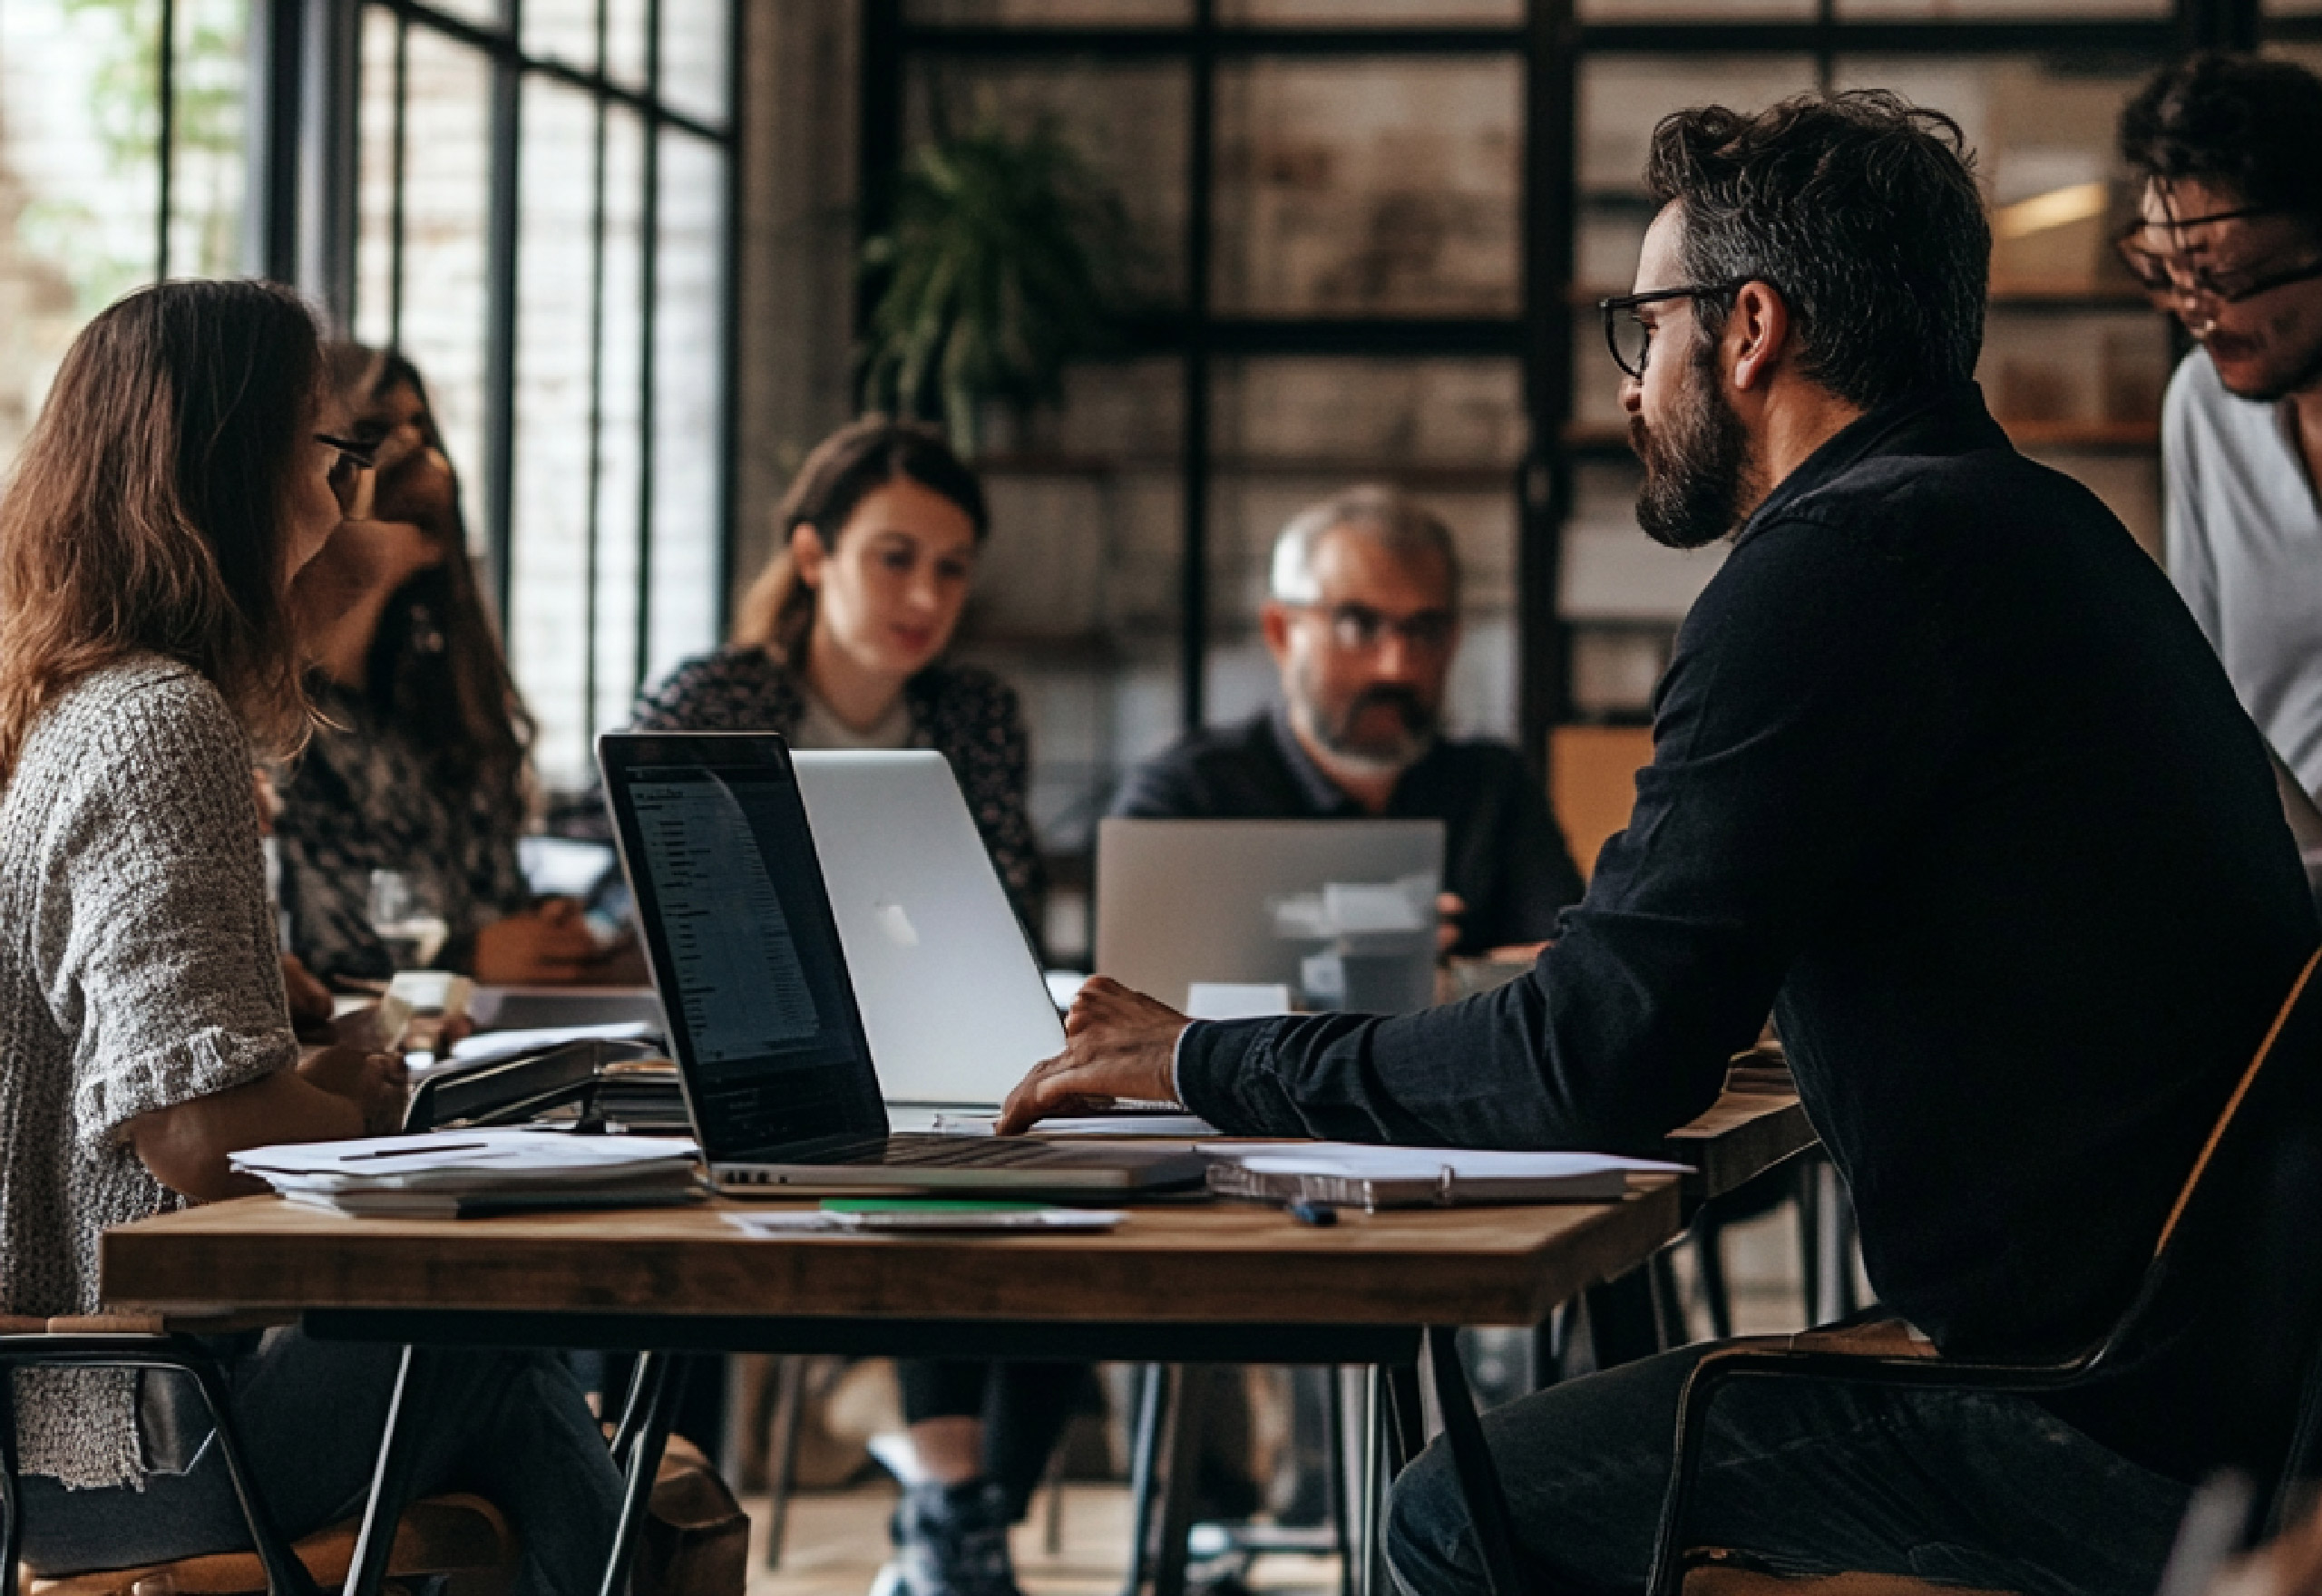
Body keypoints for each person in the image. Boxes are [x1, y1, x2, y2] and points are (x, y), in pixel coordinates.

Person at [1000, 92, 2321, 1595]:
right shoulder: (2035, 525)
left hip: (2106, 1414)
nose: (1635, 386)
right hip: (2234, 1372)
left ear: (1748, 329)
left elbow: (1592, 1062)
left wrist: (1194, 1059)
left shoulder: (1834, 570)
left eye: (1649, 328)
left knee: (1456, 1512)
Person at [0, 279, 620, 1585]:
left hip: (70, 1414)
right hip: (120, 1433)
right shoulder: (159, 725)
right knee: (498, 1329)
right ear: (239, 465)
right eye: (331, 454)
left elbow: (191, 1105)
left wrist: (315, 1077)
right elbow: (198, 1137)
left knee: (510, 1401)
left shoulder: (73, 702)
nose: (346, 496)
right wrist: (404, 1126)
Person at [630, 414, 1065, 1596]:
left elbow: (1000, 904)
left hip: (927, 1055)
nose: (927, 593)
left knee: (1038, 1186)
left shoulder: (975, 712)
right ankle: (946, 1513)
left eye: (952, 566)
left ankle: (955, 1494)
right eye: (895, 556)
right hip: (746, 1048)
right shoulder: (714, 694)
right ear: (814, 554)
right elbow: (633, 883)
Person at [1112, 486, 1583, 956]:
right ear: (1281, 632)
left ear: (1454, 639)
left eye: (1424, 629)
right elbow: (1131, 987)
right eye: (1358, 626)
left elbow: (1569, 972)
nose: (1396, 666)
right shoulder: (1187, 796)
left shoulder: (1494, 789)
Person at [270, 343, 609, 987]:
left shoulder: (435, 703)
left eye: (423, 432)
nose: (425, 464)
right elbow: (288, 955)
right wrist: (466, 958)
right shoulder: (266, 721)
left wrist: (545, 933)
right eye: (379, 437)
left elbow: (482, 895)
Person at [2118, 53, 2322, 801]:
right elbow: (2209, 695)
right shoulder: (2204, 405)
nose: (2194, 312)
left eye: (2224, 277)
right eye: (2168, 274)